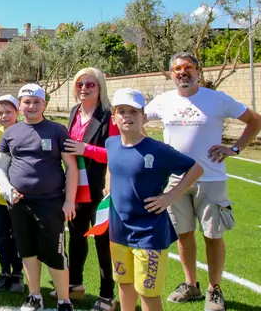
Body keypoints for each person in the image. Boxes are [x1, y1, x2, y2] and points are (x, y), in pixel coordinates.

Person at [144, 52, 261, 310]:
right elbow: (136, 119)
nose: (182, 72)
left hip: (211, 179)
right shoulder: (163, 101)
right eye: (177, 69)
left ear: (199, 70)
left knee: (212, 235)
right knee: (184, 235)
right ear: (171, 73)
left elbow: (255, 120)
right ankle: (191, 285)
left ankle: (214, 289)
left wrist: (235, 149)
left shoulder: (216, 99)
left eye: (188, 67)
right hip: (176, 180)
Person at [107, 88, 204, 311]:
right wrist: (107, 186)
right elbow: (112, 167)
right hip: (118, 231)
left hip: (148, 232)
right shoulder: (111, 143)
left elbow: (195, 169)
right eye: (122, 111)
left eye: (134, 111)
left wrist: (170, 196)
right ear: (114, 117)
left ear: (143, 116)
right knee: (124, 283)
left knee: (148, 293)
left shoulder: (157, 149)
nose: (127, 116)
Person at [0, 83, 78, 311]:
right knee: (27, 251)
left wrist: (69, 200)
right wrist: (6, 188)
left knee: (56, 253)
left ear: (44, 105)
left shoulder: (57, 130)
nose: (31, 106)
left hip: (51, 203)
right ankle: (34, 297)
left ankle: (64, 300)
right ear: (20, 106)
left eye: (36, 102)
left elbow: (71, 167)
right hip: (20, 203)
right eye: (26, 102)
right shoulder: (10, 133)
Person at [60, 68, 119, 311]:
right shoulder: (75, 111)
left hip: (100, 187)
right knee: (76, 235)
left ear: (100, 87)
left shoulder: (109, 115)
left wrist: (86, 149)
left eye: (90, 84)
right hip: (76, 185)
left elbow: (116, 152)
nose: (84, 88)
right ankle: (75, 283)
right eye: (80, 84)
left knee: (103, 241)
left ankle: (107, 294)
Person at [0, 95, 24, 294]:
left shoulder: (26, 133)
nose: (4, 116)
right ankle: (4, 271)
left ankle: (18, 274)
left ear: (17, 113)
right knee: (1, 236)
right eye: (0, 113)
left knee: (18, 236)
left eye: (8, 112)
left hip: (19, 196)